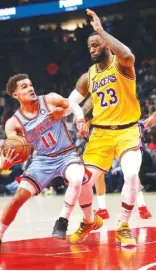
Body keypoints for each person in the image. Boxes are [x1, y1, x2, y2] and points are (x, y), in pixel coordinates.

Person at [0, 73, 102, 254]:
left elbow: (73, 106)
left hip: (66, 154)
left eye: (30, 84)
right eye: (24, 86)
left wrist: (79, 119)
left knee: (77, 178)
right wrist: (6, 163)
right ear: (15, 95)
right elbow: (14, 148)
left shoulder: (50, 99)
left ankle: (62, 220)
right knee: (19, 198)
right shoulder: (13, 123)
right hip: (42, 161)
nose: (30, 88)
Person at [68, 8, 143, 246]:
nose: (92, 49)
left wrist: (101, 31)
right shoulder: (87, 77)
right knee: (81, 181)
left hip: (127, 131)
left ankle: (123, 225)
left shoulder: (122, 66)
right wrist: (80, 116)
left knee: (131, 174)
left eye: (96, 44)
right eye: (89, 46)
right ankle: (90, 220)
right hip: (100, 134)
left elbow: (129, 55)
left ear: (108, 46)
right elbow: (72, 101)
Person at [81, 97, 152, 219]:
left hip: (117, 136)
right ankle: (141, 206)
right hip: (109, 136)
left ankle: (104, 209)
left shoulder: (103, 100)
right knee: (129, 173)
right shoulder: (106, 98)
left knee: (129, 172)